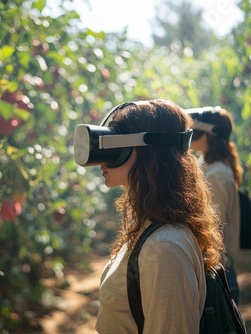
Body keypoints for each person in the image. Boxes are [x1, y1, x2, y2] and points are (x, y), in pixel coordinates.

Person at [74, 99, 224, 333]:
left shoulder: (164, 248)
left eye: (115, 144)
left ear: (147, 150)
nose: (104, 158)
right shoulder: (151, 228)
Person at [186, 106, 242, 304]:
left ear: (211, 136)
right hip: (218, 271)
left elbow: (214, 231)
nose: (191, 135)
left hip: (217, 274)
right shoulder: (211, 168)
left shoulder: (216, 175)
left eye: (196, 131)